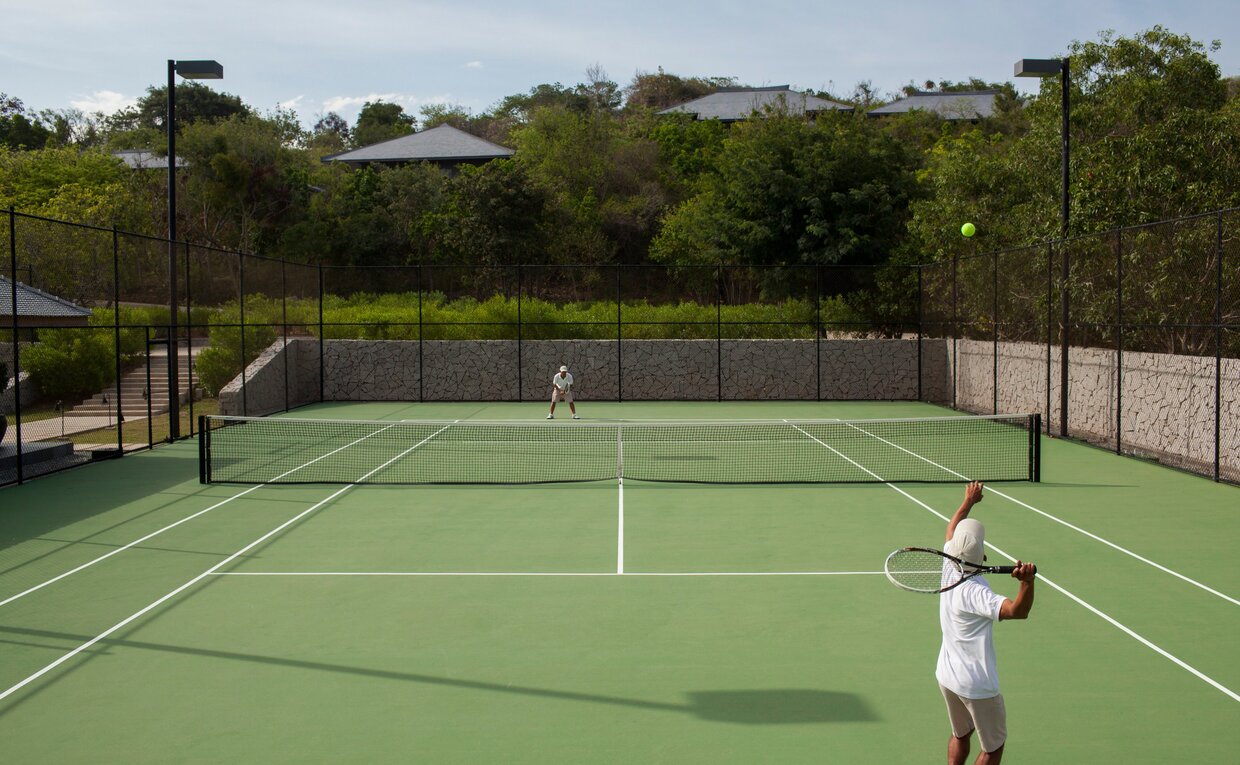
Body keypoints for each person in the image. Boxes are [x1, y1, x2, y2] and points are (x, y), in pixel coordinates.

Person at [937, 481, 1036, 765]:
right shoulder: (977, 593)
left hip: (947, 675)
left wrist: (968, 501)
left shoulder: (948, 564)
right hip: (977, 684)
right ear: (982, 556)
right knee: (993, 747)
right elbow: (1018, 611)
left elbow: (951, 529)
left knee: (960, 734)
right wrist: (1027, 583)